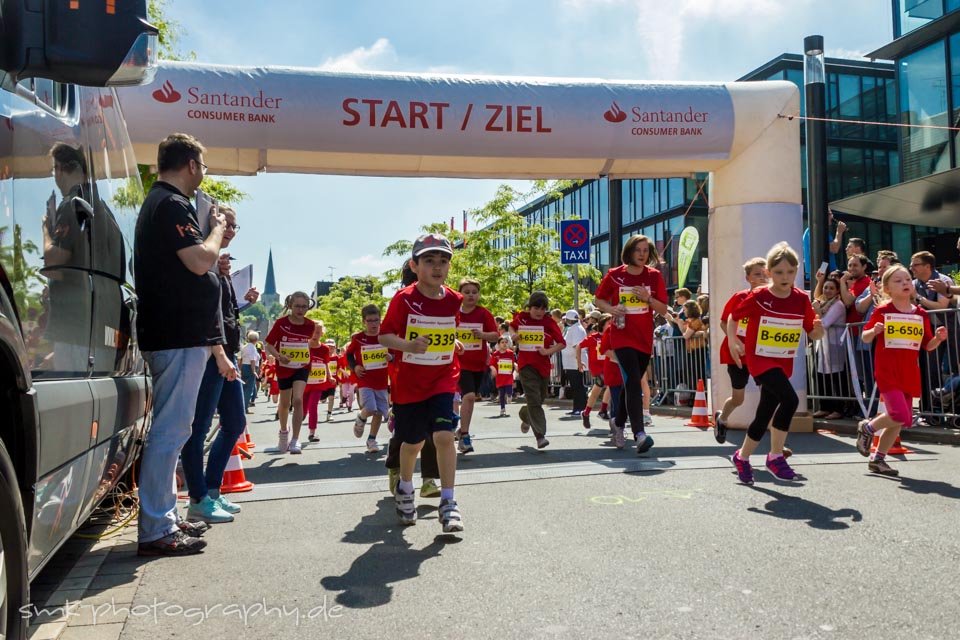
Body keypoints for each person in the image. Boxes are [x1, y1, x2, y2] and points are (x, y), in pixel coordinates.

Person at [134, 133, 233, 556]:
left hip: (178, 334)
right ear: (191, 164)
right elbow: (198, 260)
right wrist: (216, 230)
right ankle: (156, 528)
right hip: (176, 334)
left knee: (176, 430)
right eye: (203, 167)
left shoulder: (165, 203)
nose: (203, 175)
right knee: (171, 430)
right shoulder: (172, 203)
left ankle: (165, 519)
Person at [379, 234, 464, 532]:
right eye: (429, 261)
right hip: (410, 382)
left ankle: (449, 502)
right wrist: (408, 346)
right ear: (415, 266)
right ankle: (405, 487)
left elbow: (445, 329)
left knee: (443, 435)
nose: (437, 267)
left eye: (443, 261)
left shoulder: (454, 299)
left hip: (442, 376)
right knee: (412, 442)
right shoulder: (404, 299)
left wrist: (453, 343)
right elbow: (385, 336)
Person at [181, 205, 259, 524]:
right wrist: (219, 354)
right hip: (212, 357)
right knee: (198, 429)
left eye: (234, 226)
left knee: (234, 422)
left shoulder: (219, 265)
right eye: (226, 223)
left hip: (225, 357)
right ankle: (198, 497)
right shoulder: (203, 259)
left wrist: (242, 299)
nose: (229, 230)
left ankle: (211, 490)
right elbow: (204, 315)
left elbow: (224, 312)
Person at [728, 242, 823, 485]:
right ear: (769, 273)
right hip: (760, 359)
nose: (785, 277)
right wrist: (732, 341)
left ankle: (742, 456)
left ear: (797, 271)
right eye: (779, 272)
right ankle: (775, 457)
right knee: (790, 399)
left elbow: (812, 334)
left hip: (783, 361)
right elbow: (733, 317)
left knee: (764, 414)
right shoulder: (759, 296)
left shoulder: (801, 299)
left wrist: (819, 330)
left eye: (790, 272)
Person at [857, 265, 947, 476]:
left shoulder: (920, 314)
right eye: (898, 281)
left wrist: (939, 338)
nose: (905, 283)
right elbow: (864, 337)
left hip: (909, 372)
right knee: (898, 414)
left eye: (907, 279)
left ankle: (877, 459)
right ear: (887, 288)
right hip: (887, 370)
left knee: (902, 420)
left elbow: (928, 345)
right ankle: (868, 428)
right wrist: (874, 330)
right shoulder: (883, 311)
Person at [593, 235, 669, 455]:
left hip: (644, 338)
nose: (642, 254)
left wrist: (647, 298)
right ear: (629, 251)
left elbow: (663, 309)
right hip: (622, 335)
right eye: (638, 250)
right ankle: (640, 434)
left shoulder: (654, 276)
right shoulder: (615, 275)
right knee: (633, 382)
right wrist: (611, 309)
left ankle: (618, 422)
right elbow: (598, 300)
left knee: (631, 384)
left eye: (646, 250)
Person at [714, 257, 767, 443]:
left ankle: (774, 438)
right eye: (757, 274)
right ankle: (722, 419)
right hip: (737, 355)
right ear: (748, 278)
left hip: (761, 355)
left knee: (770, 394)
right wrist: (734, 341)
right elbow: (724, 321)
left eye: (764, 273)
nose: (762, 277)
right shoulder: (740, 297)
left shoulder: (771, 299)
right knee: (738, 398)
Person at [509, 291, 566, 449]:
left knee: (540, 398)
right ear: (530, 307)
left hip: (543, 365)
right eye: (536, 308)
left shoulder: (549, 323)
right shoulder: (522, 317)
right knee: (533, 398)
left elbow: (562, 343)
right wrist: (514, 336)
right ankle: (540, 435)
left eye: (543, 309)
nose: (539, 312)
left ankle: (526, 415)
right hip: (526, 365)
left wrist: (547, 352)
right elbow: (511, 327)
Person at [263, 292, 316, 454]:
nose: (301, 310)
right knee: (285, 404)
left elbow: (307, 344)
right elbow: (269, 345)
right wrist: (279, 356)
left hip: (302, 366)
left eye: (304, 306)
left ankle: (295, 439)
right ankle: (284, 433)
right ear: (290, 306)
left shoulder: (310, 325)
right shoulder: (280, 324)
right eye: (297, 306)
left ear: (308, 306)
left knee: (298, 399)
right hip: (284, 367)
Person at [454, 278, 500, 454]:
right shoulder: (453, 313)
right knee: (470, 396)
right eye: (467, 292)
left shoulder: (483, 313)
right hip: (459, 363)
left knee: (471, 398)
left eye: (474, 292)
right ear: (460, 294)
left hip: (478, 364)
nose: (471, 295)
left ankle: (461, 430)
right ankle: (465, 436)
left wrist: (482, 335)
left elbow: (495, 336)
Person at [348, 304, 391, 453]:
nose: (373, 324)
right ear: (363, 322)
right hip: (365, 379)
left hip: (381, 381)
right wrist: (355, 367)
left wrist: (390, 357)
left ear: (380, 320)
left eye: (376, 320)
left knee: (379, 412)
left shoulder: (386, 337)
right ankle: (361, 418)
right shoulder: (359, 338)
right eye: (370, 321)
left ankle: (371, 439)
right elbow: (348, 355)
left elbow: (395, 354)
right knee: (371, 408)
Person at [811, 272, 849, 420]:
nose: (827, 291)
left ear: (837, 291)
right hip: (823, 344)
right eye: (825, 287)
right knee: (820, 375)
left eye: (831, 288)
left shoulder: (838, 305)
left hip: (835, 345)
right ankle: (825, 407)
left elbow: (825, 323)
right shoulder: (823, 303)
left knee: (836, 377)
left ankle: (838, 409)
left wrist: (817, 312)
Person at [577, 315, 608, 429]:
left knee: (596, 393)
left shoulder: (611, 336)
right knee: (608, 384)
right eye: (609, 323)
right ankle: (603, 410)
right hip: (597, 368)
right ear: (602, 324)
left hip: (608, 366)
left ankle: (586, 413)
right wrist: (579, 362)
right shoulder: (593, 337)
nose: (611, 325)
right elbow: (579, 346)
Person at [303, 324, 332, 442]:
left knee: (313, 406)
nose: (315, 335)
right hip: (303, 383)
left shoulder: (324, 349)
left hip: (318, 383)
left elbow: (326, 363)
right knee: (302, 410)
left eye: (318, 333)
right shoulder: (303, 346)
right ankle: (296, 427)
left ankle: (312, 433)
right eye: (313, 332)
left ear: (322, 334)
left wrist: (330, 376)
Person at [560, 309, 588, 416]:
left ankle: (580, 408)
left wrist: (579, 362)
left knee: (578, 387)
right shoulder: (574, 328)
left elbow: (577, 346)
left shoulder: (576, 329)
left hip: (575, 363)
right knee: (576, 386)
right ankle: (577, 407)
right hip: (572, 363)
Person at [489, 336, 516, 417]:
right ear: (499, 344)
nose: (504, 344)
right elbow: (491, 364)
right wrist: (493, 369)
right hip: (500, 377)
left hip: (508, 375)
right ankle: (502, 409)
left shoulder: (510, 353)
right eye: (502, 342)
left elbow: (513, 362)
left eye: (505, 342)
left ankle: (510, 395)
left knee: (508, 388)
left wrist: (515, 366)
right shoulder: (495, 354)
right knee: (501, 394)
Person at [239, 331, 261, 413]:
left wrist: (240, 368)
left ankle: (241, 406)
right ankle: (244, 408)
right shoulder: (252, 348)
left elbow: (240, 359)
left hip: (244, 367)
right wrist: (254, 371)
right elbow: (252, 360)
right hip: (250, 368)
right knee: (249, 389)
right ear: (256, 339)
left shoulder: (245, 347)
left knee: (243, 388)